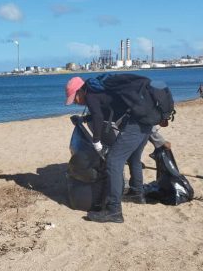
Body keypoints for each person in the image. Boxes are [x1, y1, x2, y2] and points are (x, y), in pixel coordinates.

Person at [65, 76, 153, 223]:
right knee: (133, 158)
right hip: (145, 120)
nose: (75, 102)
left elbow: (98, 117)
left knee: (113, 161)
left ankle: (114, 211)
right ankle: (137, 193)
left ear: (79, 91)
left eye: (74, 98)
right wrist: (85, 119)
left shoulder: (91, 96)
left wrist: (96, 140)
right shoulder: (99, 92)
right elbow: (104, 112)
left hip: (135, 124)